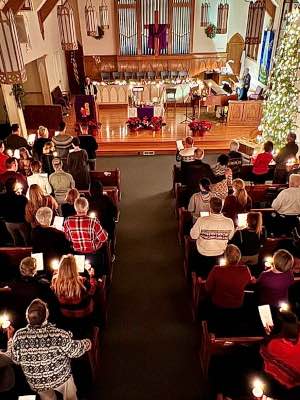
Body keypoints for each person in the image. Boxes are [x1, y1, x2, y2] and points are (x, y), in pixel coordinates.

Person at [5, 298, 91, 400]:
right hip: (60, 377)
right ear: (46, 315)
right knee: (70, 395)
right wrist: (87, 343)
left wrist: (10, 338)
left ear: (27, 317)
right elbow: (74, 352)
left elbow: (15, 359)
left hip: (36, 381)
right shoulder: (58, 334)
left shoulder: (18, 335)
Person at [7, 256, 58, 329]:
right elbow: (53, 306)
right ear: (35, 270)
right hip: (40, 326)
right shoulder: (43, 285)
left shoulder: (13, 286)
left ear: (21, 270)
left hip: (18, 325)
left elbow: (11, 310)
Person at [190, 197, 235, 278]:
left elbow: (193, 236)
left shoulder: (202, 220)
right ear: (222, 207)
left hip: (203, 254)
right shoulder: (229, 221)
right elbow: (230, 237)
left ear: (210, 208)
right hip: (220, 254)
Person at [51, 254, 96, 335]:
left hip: (65, 316)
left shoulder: (55, 282)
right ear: (75, 268)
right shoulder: (82, 281)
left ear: (60, 267)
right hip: (83, 315)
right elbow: (92, 291)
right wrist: (92, 277)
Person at [64, 197, 108, 275]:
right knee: (104, 246)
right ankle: (103, 273)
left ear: (75, 208)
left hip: (76, 253)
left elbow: (67, 238)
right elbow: (103, 238)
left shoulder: (67, 221)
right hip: (93, 253)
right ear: (87, 208)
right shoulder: (93, 221)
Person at [205, 244, 252, 310]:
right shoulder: (245, 269)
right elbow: (250, 282)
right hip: (237, 305)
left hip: (218, 304)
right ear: (239, 256)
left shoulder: (216, 269)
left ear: (225, 256)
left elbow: (208, 287)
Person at [31, 207, 71, 272]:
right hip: (56, 262)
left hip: (40, 262)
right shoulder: (59, 234)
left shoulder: (34, 231)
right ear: (51, 218)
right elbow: (65, 249)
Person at [0, 178, 30, 245]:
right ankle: (28, 253)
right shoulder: (22, 198)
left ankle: (17, 254)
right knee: (27, 239)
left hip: (8, 222)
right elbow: (26, 209)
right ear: (14, 187)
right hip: (20, 222)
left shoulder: (2, 197)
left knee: (16, 240)